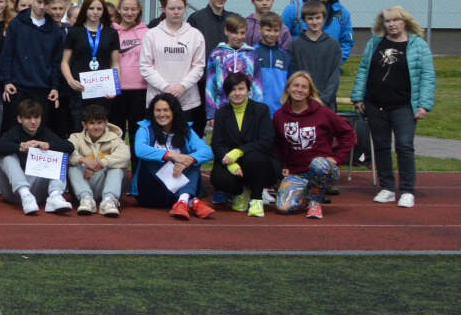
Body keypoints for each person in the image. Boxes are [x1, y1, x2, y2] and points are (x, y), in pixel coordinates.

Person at [353, 6, 435, 209]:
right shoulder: (375, 42)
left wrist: (424, 104)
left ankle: (407, 190)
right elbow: (364, 69)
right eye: (388, 21)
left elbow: (427, 75)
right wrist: (358, 96)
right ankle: (387, 188)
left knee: (404, 146)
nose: (391, 24)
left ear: (404, 21)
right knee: (381, 146)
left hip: (404, 105)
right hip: (375, 104)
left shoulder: (418, 45)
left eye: (395, 20)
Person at [273, 71, 358, 219]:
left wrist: (337, 158)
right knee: (283, 208)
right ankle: (306, 194)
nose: (299, 90)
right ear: (288, 88)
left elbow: (348, 133)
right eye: (296, 85)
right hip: (297, 172)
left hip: (322, 168)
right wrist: (283, 165)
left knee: (319, 164)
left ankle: (315, 202)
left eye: (304, 87)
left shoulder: (323, 113)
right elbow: (277, 144)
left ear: (309, 91)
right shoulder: (279, 116)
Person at [131, 92, 213, 218]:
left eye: (166, 110)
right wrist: (171, 155)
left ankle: (182, 201)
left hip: (173, 194)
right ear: (152, 112)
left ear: (174, 111)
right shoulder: (145, 129)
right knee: (152, 159)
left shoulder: (186, 130)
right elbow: (140, 150)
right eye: (158, 110)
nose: (162, 114)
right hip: (152, 193)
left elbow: (207, 151)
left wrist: (189, 160)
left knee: (193, 161)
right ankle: (190, 200)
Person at [209, 73, 280, 217]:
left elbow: (266, 141)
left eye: (241, 89)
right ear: (227, 93)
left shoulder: (261, 110)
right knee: (218, 179)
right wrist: (231, 163)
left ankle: (256, 198)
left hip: (259, 161)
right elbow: (217, 144)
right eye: (232, 90)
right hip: (232, 161)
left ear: (248, 90)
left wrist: (239, 151)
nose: (237, 93)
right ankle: (242, 191)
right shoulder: (221, 113)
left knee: (254, 158)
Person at [139, 0, 207, 135]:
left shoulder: (195, 35)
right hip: (158, 100)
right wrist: (165, 87)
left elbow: (199, 66)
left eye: (180, 8)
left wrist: (182, 86)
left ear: (185, 7)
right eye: (171, 8)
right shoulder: (152, 35)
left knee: (184, 140)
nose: (176, 12)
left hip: (187, 100)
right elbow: (145, 66)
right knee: (158, 140)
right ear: (163, 8)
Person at [0, 97, 73, 214]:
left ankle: (55, 196)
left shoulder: (45, 132)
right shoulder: (14, 132)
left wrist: (48, 145)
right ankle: (25, 195)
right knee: (7, 157)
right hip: (15, 191)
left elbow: (69, 147)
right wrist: (20, 147)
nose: (33, 122)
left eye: (36, 117)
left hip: (39, 191)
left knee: (60, 155)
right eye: (28, 118)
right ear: (19, 119)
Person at [0, 0, 65, 132]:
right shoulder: (16, 24)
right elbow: (7, 54)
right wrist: (7, 81)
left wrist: (55, 86)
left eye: (46, 3)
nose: (42, 7)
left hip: (43, 88)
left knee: (39, 130)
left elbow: (56, 61)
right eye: (39, 2)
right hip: (17, 87)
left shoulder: (55, 30)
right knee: (13, 129)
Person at [67, 102, 130, 216]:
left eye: (100, 122)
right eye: (91, 123)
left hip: (106, 183)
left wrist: (100, 164)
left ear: (106, 123)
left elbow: (125, 156)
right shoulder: (75, 138)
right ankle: (86, 199)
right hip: (84, 182)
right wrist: (83, 160)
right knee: (73, 166)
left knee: (117, 167)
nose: (96, 127)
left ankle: (109, 201)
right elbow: (67, 153)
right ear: (84, 124)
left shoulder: (115, 139)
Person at [279, 0, 354, 63]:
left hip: (329, 68)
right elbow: (281, 39)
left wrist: (336, 62)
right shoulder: (293, 10)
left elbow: (348, 41)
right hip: (298, 68)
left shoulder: (342, 13)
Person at [288, 0, 344, 110]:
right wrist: (304, 98)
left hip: (326, 104)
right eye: (310, 18)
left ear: (324, 18)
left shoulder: (333, 45)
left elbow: (334, 77)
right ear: (304, 20)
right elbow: (294, 74)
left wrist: (323, 100)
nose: (314, 22)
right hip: (302, 102)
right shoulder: (295, 45)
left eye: (318, 18)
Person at [113, 0, 149, 137]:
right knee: (116, 133)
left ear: (139, 10)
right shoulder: (111, 32)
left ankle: (137, 154)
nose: (129, 13)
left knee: (138, 133)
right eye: (126, 9)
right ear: (119, 9)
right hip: (117, 90)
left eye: (133, 9)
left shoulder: (147, 32)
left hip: (140, 89)